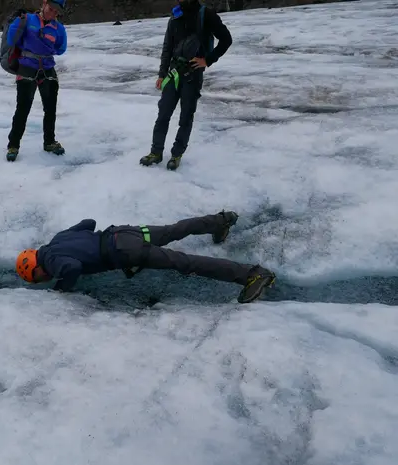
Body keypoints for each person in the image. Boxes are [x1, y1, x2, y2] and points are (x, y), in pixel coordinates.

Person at [15, 211, 276, 304]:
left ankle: (252, 274)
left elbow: (71, 268)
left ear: (35, 267)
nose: (43, 279)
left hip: (126, 252)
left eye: (37, 278)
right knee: (174, 230)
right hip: (124, 233)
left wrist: (62, 289)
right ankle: (219, 221)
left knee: (184, 263)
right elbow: (89, 223)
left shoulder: (51, 262)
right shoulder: (58, 239)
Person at [140, 0, 233, 171]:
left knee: (185, 117)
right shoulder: (175, 15)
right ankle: (156, 152)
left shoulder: (206, 15)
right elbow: (167, 47)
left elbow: (226, 39)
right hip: (173, 73)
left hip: (192, 74)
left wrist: (207, 60)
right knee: (163, 115)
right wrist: (161, 74)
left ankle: (176, 154)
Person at [4, 0, 68, 162]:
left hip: (47, 69)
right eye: (50, 8)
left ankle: (49, 142)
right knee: (23, 108)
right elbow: (11, 40)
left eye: (56, 11)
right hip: (27, 67)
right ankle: (13, 145)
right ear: (44, 3)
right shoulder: (26, 20)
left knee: (50, 108)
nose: (52, 13)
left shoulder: (59, 28)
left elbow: (61, 48)